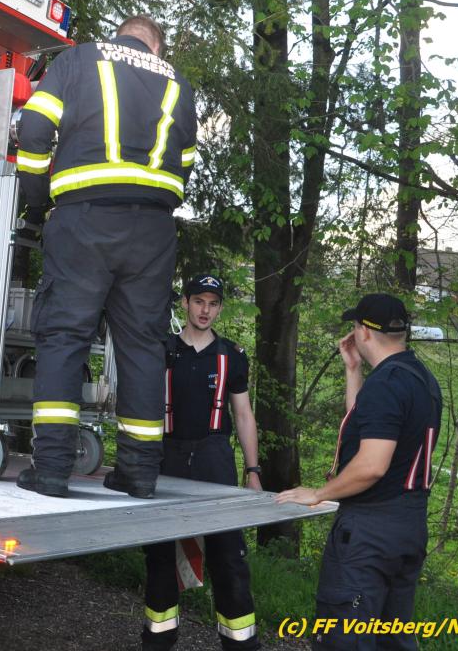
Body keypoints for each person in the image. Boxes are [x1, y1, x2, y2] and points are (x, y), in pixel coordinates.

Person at [14, 15, 198, 499]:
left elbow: (34, 126)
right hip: (154, 229)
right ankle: (139, 473)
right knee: (143, 347)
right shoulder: (178, 82)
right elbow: (186, 161)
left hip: (85, 218)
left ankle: (52, 469)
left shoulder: (79, 59)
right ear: (155, 46)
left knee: (64, 336)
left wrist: (36, 200)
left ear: (122, 34)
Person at [277, 293, 442, 650]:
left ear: (364, 331)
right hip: (408, 526)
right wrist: (353, 370)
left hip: (370, 533)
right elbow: (368, 423)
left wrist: (318, 494)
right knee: (391, 639)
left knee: (345, 638)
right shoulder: (421, 379)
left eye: (355, 326)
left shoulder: (387, 384)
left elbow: (371, 465)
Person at [141, 274, 262, 651]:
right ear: (185, 303)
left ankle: (240, 644)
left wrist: (253, 471)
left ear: (220, 308)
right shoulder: (162, 350)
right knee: (161, 553)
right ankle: (157, 641)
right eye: (198, 302)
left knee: (228, 555)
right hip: (168, 457)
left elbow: (243, 415)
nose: (205, 310)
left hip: (214, 458)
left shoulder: (232, 356)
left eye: (212, 303)